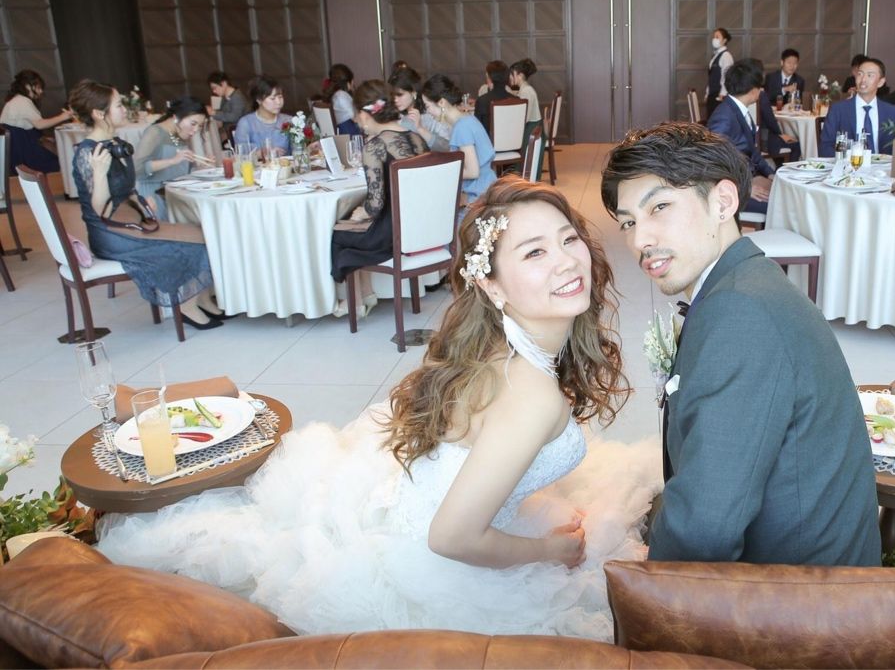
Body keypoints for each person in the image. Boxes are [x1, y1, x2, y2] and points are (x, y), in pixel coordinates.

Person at [96, 177, 660, 639]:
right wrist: (547, 551)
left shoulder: (497, 342)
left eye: (568, 239)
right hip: (442, 565)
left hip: (414, 507)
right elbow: (451, 538)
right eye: (534, 252)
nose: (566, 262)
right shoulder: (531, 394)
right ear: (492, 287)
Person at [601, 123, 880, 566]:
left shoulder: (739, 313)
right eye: (629, 222)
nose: (640, 240)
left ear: (723, 202)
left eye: (660, 207)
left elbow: (704, 531)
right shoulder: (745, 281)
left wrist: (644, 587)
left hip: (798, 591)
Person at [68, 80, 224, 329]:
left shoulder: (114, 143)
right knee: (188, 242)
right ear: (99, 113)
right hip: (110, 233)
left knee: (204, 234)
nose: (124, 110)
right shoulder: (89, 153)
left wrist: (142, 205)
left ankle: (201, 298)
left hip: (131, 220)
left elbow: (126, 189)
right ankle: (185, 304)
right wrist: (98, 173)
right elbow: (100, 210)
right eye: (118, 105)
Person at [331, 80, 429, 318]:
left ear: (365, 115)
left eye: (357, 115)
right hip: (421, 227)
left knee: (339, 234)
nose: (357, 121)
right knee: (353, 226)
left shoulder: (375, 146)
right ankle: (366, 295)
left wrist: (361, 213)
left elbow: (375, 205)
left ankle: (354, 302)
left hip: (395, 234)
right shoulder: (417, 139)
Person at [706, 58, 775, 215]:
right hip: (734, 190)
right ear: (754, 91)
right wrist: (747, 188)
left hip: (747, 178)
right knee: (780, 205)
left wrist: (771, 174)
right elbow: (713, 161)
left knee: (785, 196)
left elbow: (752, 151)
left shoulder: (738, 109)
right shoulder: (724, 116)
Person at [421, 74, 496, 207]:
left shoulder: (461, 127)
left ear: (442, 102)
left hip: (478, 197)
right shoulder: (467, 119)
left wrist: (441, 172)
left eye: (427, 106)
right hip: (486, 188)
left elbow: (473, 172)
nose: (428, 112)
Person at [133, 97, 215, 217]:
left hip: (175, 194)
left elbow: (180, 171)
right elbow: (137, 169)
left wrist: (201, 167)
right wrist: (172, 161)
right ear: (176, 117)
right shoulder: (154, 132)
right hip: (154, 198)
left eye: (200, 126)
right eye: (193, 123)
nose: (195, 130)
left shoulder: (180, 134)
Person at [819, 57, 895, 157]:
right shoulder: (838, 109)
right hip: (848, 164)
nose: (863, 79)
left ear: (881, 82)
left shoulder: (891, 112)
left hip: (882, 166)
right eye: (860, 74)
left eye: (870, 75)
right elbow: (825, 147)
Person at [1, 69, 71, 174]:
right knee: (59, 162)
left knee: (53, 151)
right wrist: (63, 116)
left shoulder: (16, 100)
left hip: (16, 150)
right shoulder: (22, 101)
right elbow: (40, 124)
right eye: (38, 87)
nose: (41, 91)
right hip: (24, 152)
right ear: (27, 86)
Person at [756, 49, 803, 162]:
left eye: (795, 63)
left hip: (787, 116)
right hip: (769, 129)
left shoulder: (799, 80)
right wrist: (784, 89)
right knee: (794, 144)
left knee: (794, 139)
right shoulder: (771, 78)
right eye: (789, 62)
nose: (792, 66)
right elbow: (768, 96)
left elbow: (798, 101)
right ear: (782, 62)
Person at [390, 66, 451, 152]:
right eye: (393, 95)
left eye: (400, 95)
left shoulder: (431, 112)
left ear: (413, 92)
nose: (395, 100)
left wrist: (420, 128)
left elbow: (448, 147)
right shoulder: (396, 115)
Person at [233, 75, 291, 157]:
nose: (278, 102)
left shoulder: (289, 121)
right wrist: (259, 154)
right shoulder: (246, 123)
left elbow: (298, 150)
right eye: (272, 98)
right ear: (259, 100)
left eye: (280, 97)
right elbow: (240, 154)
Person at [509, 58, 542, 144]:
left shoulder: (526, 91)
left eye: (512, 74)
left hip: (531, 131)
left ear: (520, 75)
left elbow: (525, 117)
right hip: (531, 128)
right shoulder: (524, 88)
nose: (510, 77)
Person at [475, 60, 514, 131]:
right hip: (513, 137)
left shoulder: (482, 101)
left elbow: (477, 128)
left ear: (489, 77)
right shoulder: (516, 100)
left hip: (488, 138)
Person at [322, 63, 360, 135]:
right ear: (348, 81)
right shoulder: (341, 95)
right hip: (350, 133)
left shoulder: (336, 94)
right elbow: (355, 118)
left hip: (344, 131)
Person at [704, 28, 734, 118]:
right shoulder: (716, 55)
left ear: (724, 40)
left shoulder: (726, 56)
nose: (714, 39)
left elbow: (726, 76)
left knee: (717, 119)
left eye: (717, 37)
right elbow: (711, 76)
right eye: (714, 37)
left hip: (719, 95)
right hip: (712, 93)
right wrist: (707, 93)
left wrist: (723, 94)